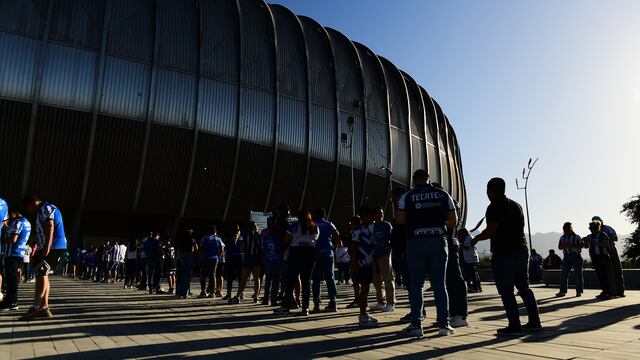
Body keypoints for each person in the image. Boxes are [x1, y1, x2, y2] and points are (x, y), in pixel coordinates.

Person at [472, 178, 541, 335]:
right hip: (521, 250)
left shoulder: (493, 207)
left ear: (490, 191)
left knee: (506, 290)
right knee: (524, 288)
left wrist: (476, 238)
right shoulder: (516, 205)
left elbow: (491, 230)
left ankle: (514, 325)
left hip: (504, 252)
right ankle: (535, 322)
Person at [396, 170, 456, 337]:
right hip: (438, 240)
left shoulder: (407, 196)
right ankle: (444, 325)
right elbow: (453, 220)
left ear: (414, 181)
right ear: (429, 180)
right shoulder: (443, 194)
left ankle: (416, 325)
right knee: (439, 285)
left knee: (416, 285)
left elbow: (400, 220)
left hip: (416, 241)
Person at [20, 195, 68, 321]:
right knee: (43, 273)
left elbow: (50, 225)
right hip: (51, 245)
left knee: (41, 272)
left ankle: (37, 306)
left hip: (54, 246)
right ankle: (44, 306)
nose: (30, 212)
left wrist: (47, 246)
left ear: (32, 203)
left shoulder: (45, 208)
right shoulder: (45, 208)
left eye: (28, 208)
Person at [274, 210, 319, 316]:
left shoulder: (294, 226)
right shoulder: (315, 227)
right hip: (310, 253)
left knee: (290, 280)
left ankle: (286, 306)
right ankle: (305, 308)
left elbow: (286, 239)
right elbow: (316, 239)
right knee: (306, 281)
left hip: (296, 252)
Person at [349, 207, 378, 327]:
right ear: (364, 217)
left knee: (366, 290)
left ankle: (364, 314)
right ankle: (362, 315)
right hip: (362, 264)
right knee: (364, 290)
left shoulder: (371, 229)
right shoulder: (358, 230)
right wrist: (354, 265)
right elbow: (353, 249)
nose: (373, 219)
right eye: (370, 216)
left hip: (370, 264)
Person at [0, 209, 31, 311]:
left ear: (14, 212)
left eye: (9, 214)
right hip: (18, 253)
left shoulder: (18, 222)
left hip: (13, 253)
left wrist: (2, 239)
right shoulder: (26, 222)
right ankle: (10, 300)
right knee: (12, 277)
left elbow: (13, 239)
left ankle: (12, 302)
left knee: (11, 278)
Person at [311, 208, 340, 313]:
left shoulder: (313, 224)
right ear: (324, 215)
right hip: (328, 252)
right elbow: (337, 236)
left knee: (316, 280)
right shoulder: (329, 224)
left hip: (317, 253)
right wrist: (335, 247)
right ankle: (333, 302)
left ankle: (316, 305)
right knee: (330, 278)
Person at [370, 207, 395, 313]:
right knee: (377, 280)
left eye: (381, 213)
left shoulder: (386, 225)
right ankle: (381, 301)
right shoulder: (372, 226)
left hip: (384, 254)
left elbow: (391, 238)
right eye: (378, 213)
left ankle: (391, 303)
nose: (380, 215)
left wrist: (388, 251)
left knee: (388, 278)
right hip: (374, 255)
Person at [592, 216, 624, 297]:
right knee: (605, 274)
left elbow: (615, 238)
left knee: (617, 271)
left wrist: (605, 239)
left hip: (611, 251)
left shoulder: (607, 229)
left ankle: (620, 291)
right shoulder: (594, 231)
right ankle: (607, 291)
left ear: (601, 221)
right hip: (601, 254)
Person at [235, 222, 263, 303]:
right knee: (256, 278)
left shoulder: (246, 236)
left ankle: (237, 296)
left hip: (248, 259)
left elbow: (242, 248)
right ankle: (256, 296)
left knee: (244, 279)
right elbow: (262, 249)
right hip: (257, 259)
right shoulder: (260, 237)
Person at [584, 221, 612, 300]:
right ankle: (604, 291)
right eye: (590, 228)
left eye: (592, 228)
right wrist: (585, 242)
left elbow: (605, 244)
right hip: (594, 257)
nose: (590, 229)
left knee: (605, 275)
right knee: (599, 275)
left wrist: (593, 242)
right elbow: (586, 246)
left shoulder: (603, 235)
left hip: (603, 257)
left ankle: (608, 292)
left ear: (597, 228)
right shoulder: (589, 236)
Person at [556, 222, 584, 297]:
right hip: (566, 256)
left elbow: (582, 245)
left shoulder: (577, 237)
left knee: (578, 274)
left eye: (568, 228)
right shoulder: (562, 238)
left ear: (571, 229)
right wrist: (564, 246)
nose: (567, 230)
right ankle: (562, 291)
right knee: (564, 274)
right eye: (565, 229)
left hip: (576, 256)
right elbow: (559, 247)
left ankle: (579, 291)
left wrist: (573, 246)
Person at [389, 187, 407, 289]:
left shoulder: (405, 208)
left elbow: (403, 230)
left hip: (404, 247)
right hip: (398, 247)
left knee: (406, 272)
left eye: (394, 197)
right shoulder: (398, 209)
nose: (392, 200)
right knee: (398, 267)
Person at [199, 225, 223, 298]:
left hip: (205, 258)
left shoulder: (204, 238)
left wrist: (200, 257)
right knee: (212, 275)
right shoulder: (218, 238)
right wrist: (218, 256)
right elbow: (222, 249)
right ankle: (212, 293)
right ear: (215, 231)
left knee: (203, 275)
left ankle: (203, 291)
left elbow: (200, 249)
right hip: (214, 258)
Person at [261, 217, 282, 306]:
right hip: (276, 259)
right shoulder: (278, 236)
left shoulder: (264, 234)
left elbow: (262, 248)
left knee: (268, 280)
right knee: (275, 281)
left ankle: (266, 298)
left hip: (268, 258)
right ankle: (273, 299)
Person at [345, 215, 362, 310]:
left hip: (356, 259)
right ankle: (359, 298)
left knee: (356, 281)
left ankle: (358, 299)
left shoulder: (357, 231)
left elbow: (354, 246)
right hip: (359, 258)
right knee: (357, 281)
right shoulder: (358, 230)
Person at [176, 228, 198, 299]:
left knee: (181, 276)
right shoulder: (191, 238)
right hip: (189, 257)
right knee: (187, 276)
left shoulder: (180, 238)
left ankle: (179, 292)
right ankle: (185, 293)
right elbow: (196, 247)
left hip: (181, 257)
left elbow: (178, 249)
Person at [225, 225, 244, 303]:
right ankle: (229, 294)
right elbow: (227, 248)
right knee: (230, 277)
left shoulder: (242, 238)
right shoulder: (230, 239)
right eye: (236, 230)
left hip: (239, 258)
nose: (237, 231)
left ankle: (240, 294)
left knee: (239, 277)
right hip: (233, 259)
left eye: (238, 230)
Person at [459, 228, 482, 293]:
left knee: (473, 275)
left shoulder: (469, 238)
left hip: (471, 259)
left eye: (460, 234)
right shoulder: (467, 238)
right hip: (468, 259)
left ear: (464, 233)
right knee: (471, 274)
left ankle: (475, 288)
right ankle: (476, 288)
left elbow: (467, 247)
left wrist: (460, 244)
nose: (459, 235)